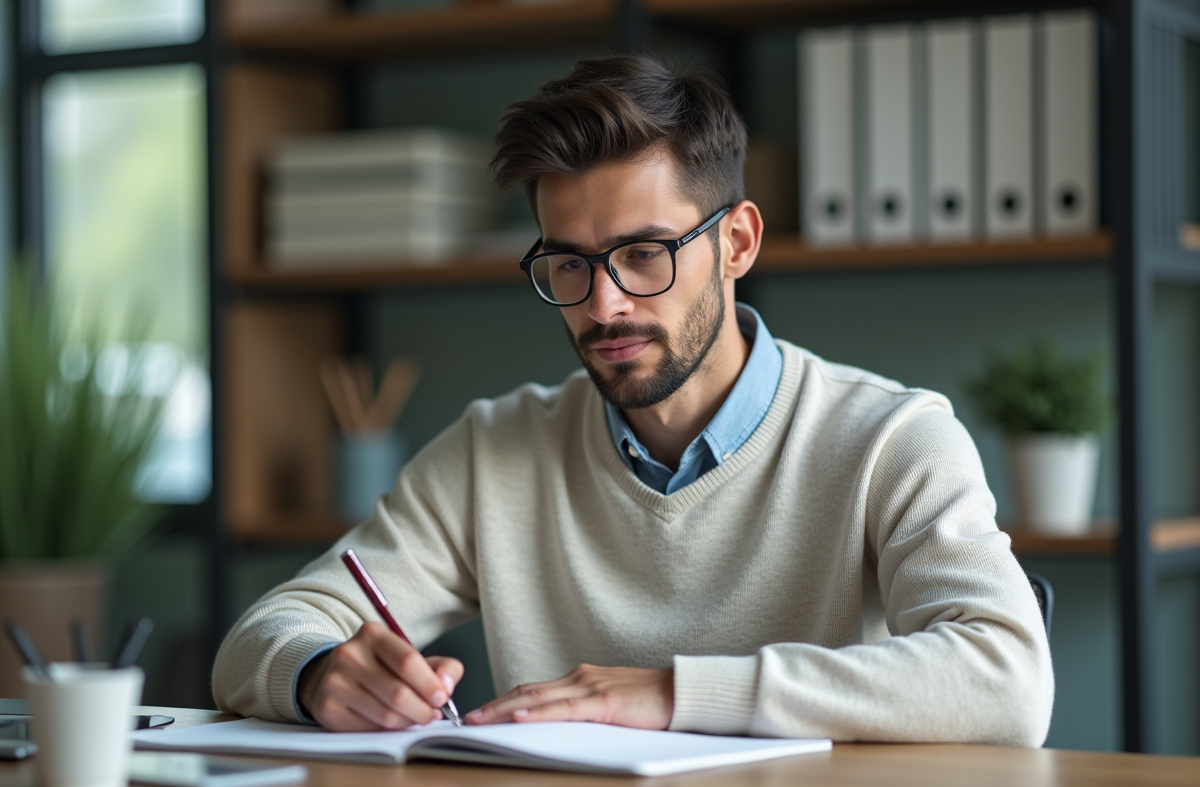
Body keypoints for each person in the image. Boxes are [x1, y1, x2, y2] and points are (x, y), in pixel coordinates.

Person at [212, 54, 1053, 745]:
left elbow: (1006, 681)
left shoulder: (890, 439)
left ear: (738, 243)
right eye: (569, 264)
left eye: (644, 254)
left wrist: (668, 695)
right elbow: (267, 631)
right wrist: (322, 674)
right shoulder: (493, 453)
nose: (603, 303)